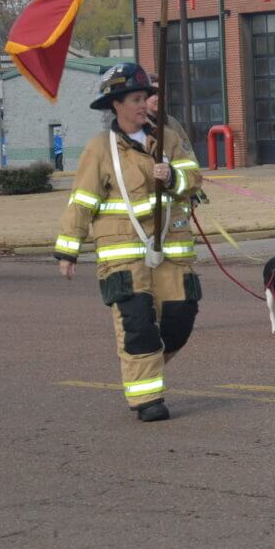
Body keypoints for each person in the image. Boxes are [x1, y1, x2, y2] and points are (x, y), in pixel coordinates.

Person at [54, 63, 204, 422]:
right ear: (115, 105)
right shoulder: (100, 149)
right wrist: (68, 248)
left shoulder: (167, 139)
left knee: (179, 322)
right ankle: (147, 400)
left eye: (146, 97)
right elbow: (83, 201)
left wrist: (172, 176)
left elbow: (193, 179)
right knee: (139, 327)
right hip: (123, 259)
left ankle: (141, 364)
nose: (145, 104)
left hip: (172, 254)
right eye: (136, 98)